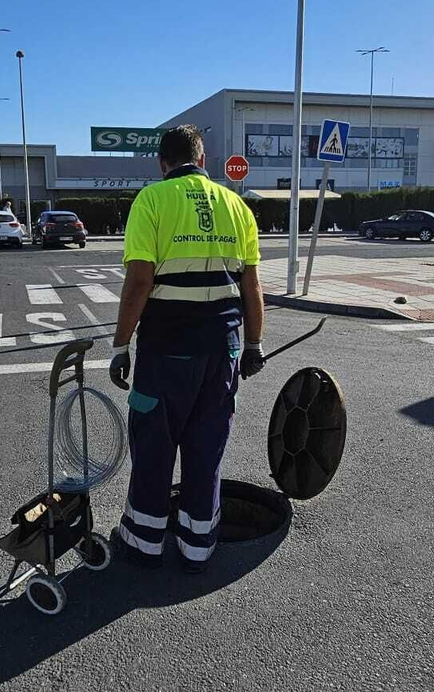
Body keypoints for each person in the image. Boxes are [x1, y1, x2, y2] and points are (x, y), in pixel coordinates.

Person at [108, 124, 267, 573]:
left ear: (162, 163)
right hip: (224, 351)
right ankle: (199, 544)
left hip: (166, 350)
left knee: (155, 445)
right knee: (207, 445)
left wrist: (120, 346)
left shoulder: (152, 200)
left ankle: (144, 540)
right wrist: (253, 344)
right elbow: (252, 287)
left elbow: (139, 282)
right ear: (204, 161)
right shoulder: (237, 205)